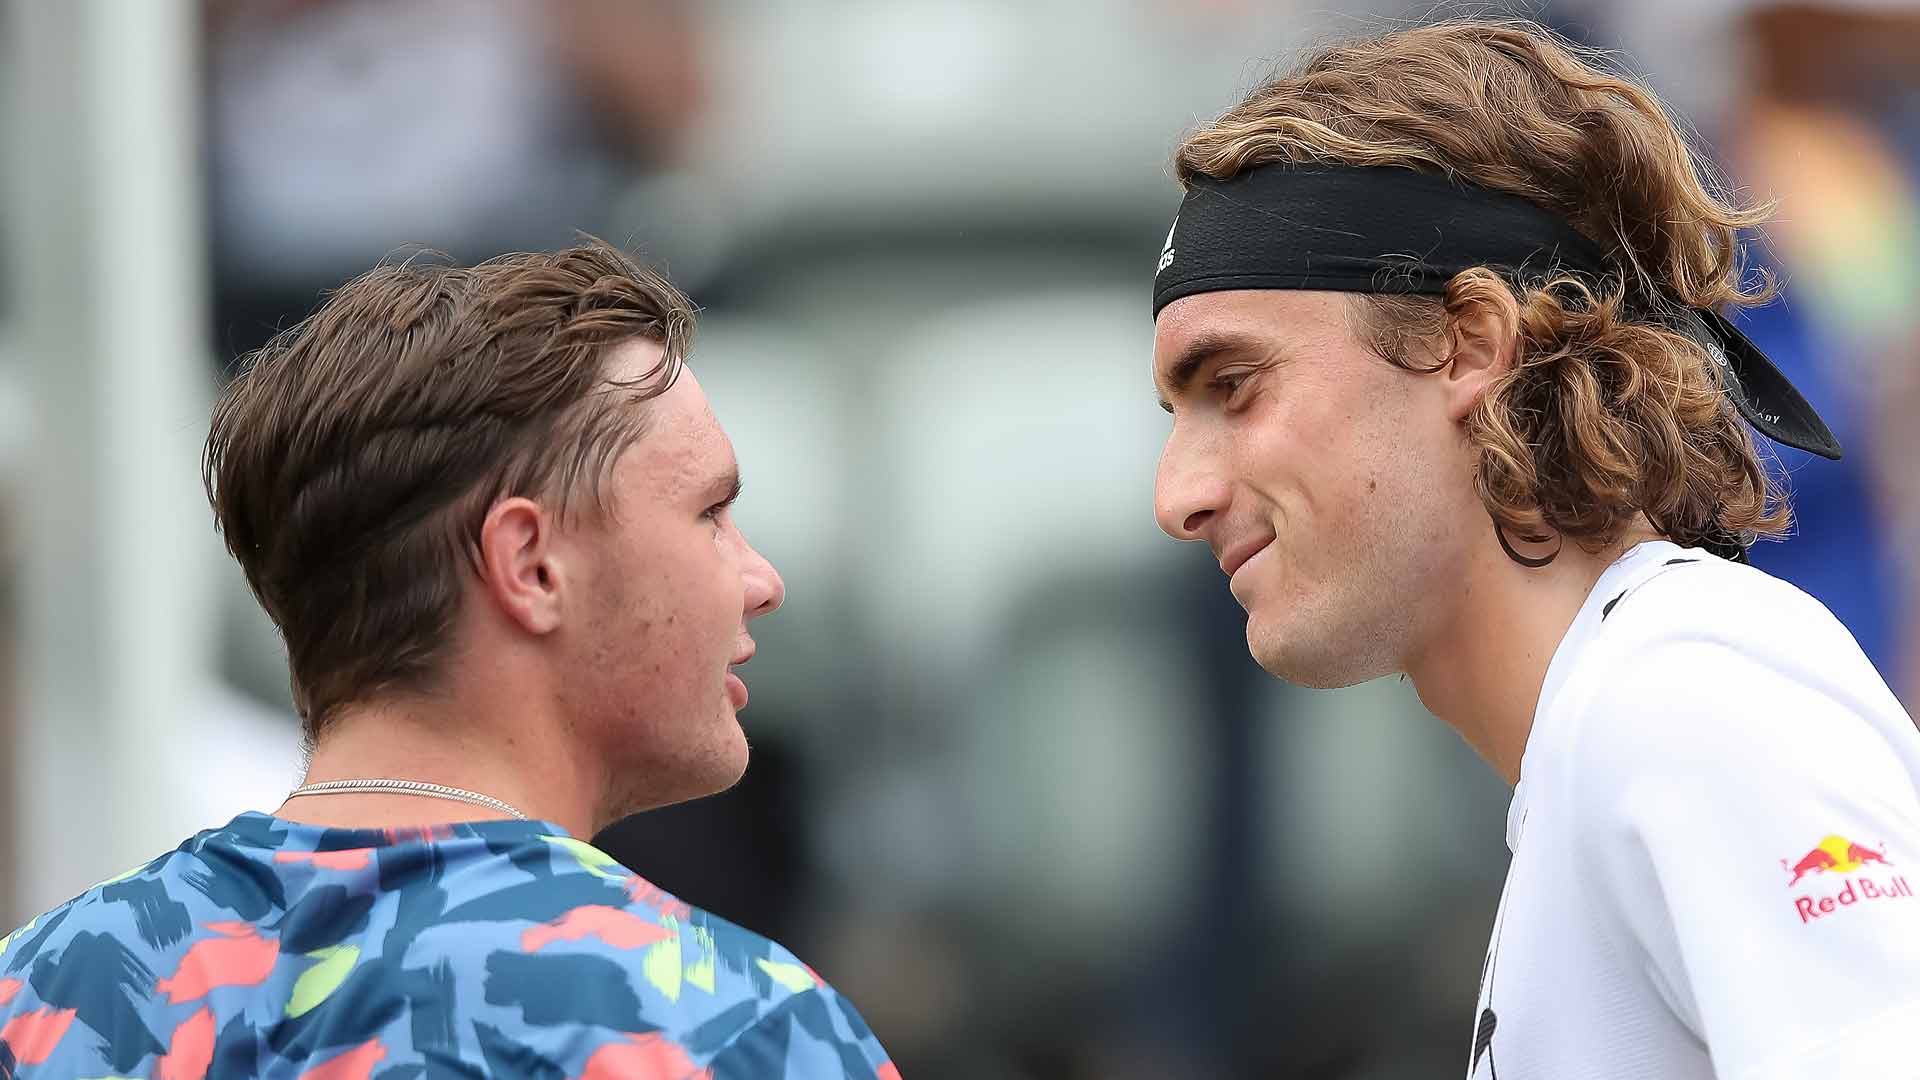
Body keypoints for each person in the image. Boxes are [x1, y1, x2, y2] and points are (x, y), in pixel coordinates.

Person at [1148, 20, 1920, 1079]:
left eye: (1234, 387)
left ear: (1468, 342)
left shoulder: (1684, 700)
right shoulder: (1613, 725)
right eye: (1175, 415)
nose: (1177, 496)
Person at [0, 242, 900, 1079]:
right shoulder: (737, 1031)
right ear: (529, 564)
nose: (762, 579)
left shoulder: (35, 996)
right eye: (709, 514)